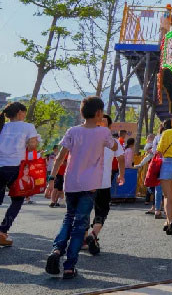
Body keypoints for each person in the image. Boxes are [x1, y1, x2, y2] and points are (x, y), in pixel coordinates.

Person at [44, 96, 118, 279]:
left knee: (68, 218)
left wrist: (52, 179)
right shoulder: (103, 133)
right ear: (100, 113)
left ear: (82, 112)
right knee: (80, 224)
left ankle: (56, 251)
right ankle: (69, 266)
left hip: (71, 183)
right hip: (90, 184)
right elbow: (115, 147)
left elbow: (60, 156)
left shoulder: (73, 131)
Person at [83, 114, 125, 256]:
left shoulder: (88, 139)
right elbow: (121, 158)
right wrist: (121, 174)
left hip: (87, 182)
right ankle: (93, 235)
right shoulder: (114, 142)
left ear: (108, 127)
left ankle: (84, 239)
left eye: (103, 123)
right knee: (101, 211)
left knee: (85, 210)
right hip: (102, 183)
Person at [0, 102, 38, 247]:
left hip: (0, 166)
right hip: (16, 168)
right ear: (20, 113)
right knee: (17, 201)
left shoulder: (2, 125)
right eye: (24, 112)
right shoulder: (28, 127)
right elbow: (32, 147)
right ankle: (3, 230)